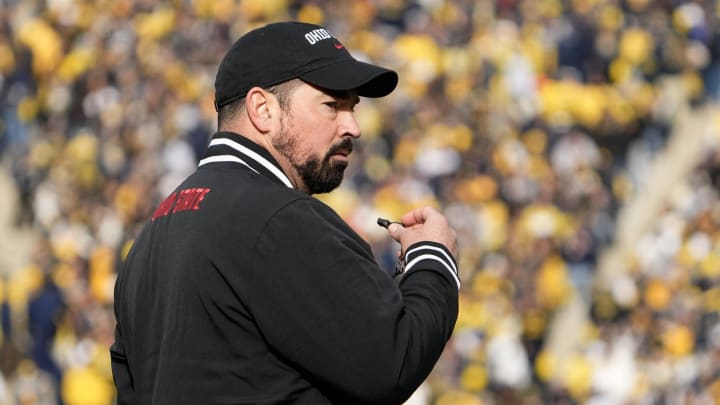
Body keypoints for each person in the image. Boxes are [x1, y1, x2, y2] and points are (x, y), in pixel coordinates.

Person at [110, 21, 460, 404]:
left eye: (353, 108)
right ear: (263, 109)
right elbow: (391, 362)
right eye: (333, 105)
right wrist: (432, 260)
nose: (354, 127)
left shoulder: (151, 236)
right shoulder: (280, 217)